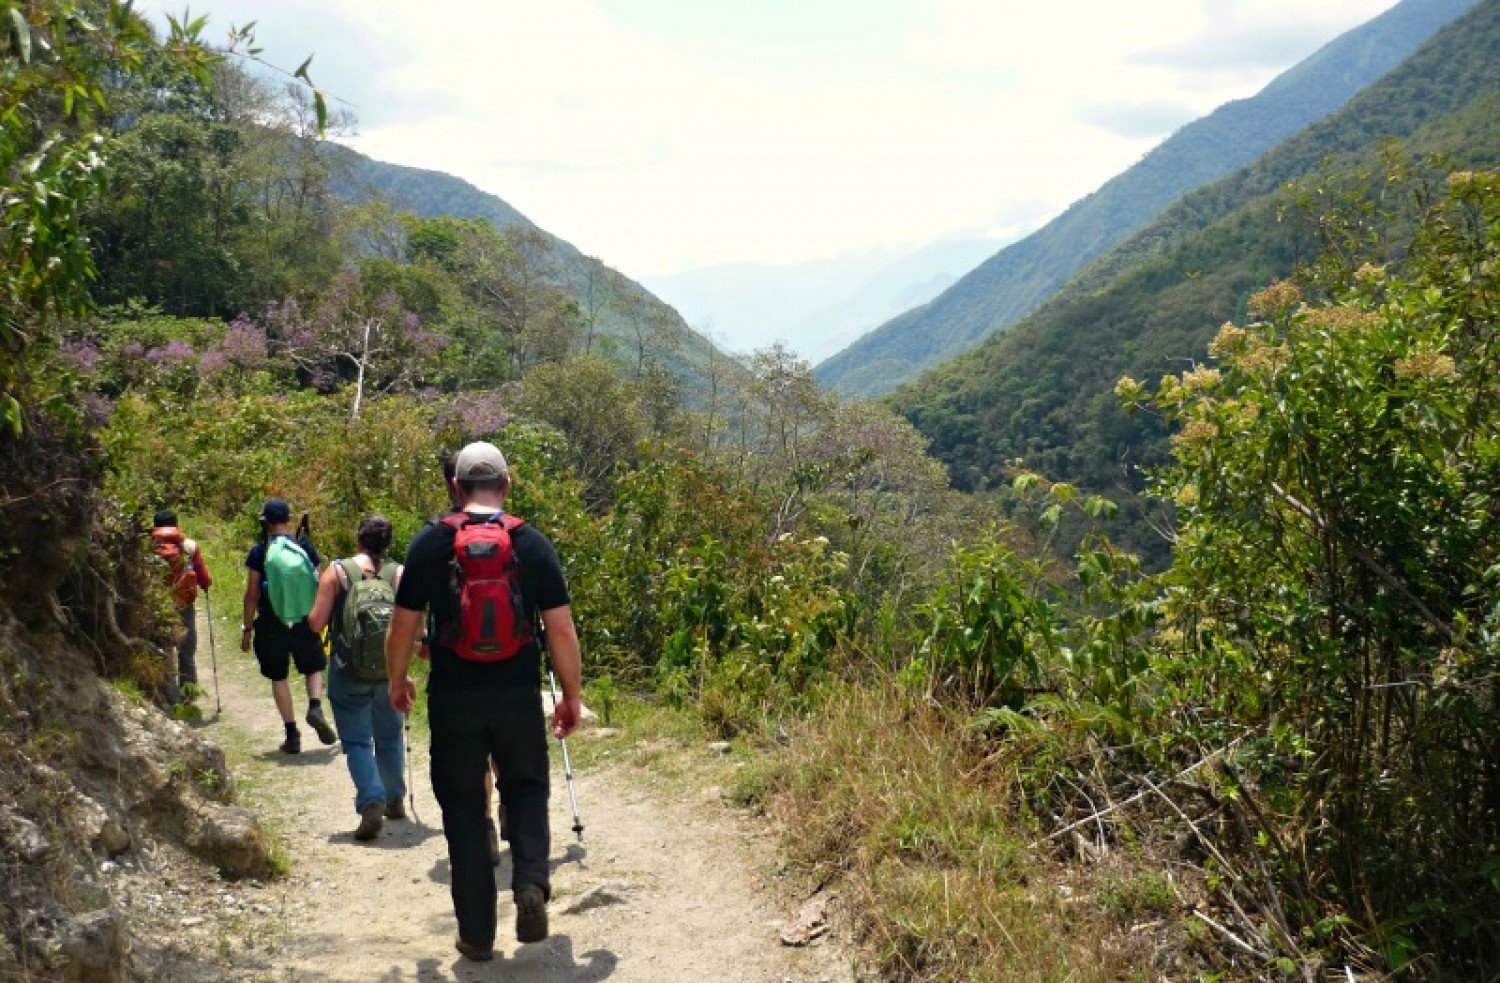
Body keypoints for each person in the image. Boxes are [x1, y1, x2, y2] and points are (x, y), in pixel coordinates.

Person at [386, 441, 583, 960]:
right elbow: (560, 630)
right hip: (517, 693)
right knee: (525, 786)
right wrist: (570, 697)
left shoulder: (430, 544)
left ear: (456, 487)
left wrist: (397, 679)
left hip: (454, 698)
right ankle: (532, 883)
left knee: (465, 811)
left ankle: (476, 934)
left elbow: (402, 626)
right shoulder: (532, 544)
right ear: (507, 485)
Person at [308, 515, 407, 842]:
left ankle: (371, 798)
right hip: (390, 668)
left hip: (348, 667)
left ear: (358, 538)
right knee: (390, 734)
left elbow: (316, 622)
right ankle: (393, 797)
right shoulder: (398, 574)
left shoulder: (336, 572)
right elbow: (411, 623)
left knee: (356, 740)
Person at [241, 498, 336, 755]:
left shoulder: (259, 551)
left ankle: (292, 734)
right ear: (288, 519)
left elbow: (251, 594)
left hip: (272, 622)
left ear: (265, 521)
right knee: (313, 667)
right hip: (305, 619)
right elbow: (322, 581)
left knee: (278, 676)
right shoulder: (303, 546)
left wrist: (247, 629)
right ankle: (315, 706)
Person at [149, 509, 212, 696]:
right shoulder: (189, 546)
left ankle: (169, 693)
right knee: (186, 647)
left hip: (157, 604)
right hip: (183, 603)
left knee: (163, 648)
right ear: (176, 526)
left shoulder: (148, 546)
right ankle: (189, 691)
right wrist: (206, 584)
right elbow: (203, 577)